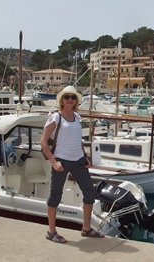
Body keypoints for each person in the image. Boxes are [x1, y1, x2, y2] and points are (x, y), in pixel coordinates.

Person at [40, 85, 104, 243]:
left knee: (89, 192)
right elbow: (43, 142)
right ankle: (51, 231)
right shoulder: (56, 117)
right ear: (62, 99)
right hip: (61, 159)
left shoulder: (77, 117)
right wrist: (54, 162)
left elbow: (78, 139)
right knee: (56, 194)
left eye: (73, 97)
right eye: (67, 97)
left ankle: (86, 228)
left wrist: (85, 155)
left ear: (76, 101)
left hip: (78, 160)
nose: (70, 99)